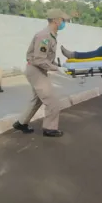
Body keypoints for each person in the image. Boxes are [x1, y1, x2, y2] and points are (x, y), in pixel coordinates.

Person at [13, 8, 71, 137]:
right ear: (56, 20)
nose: (64, 23)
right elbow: (39, 59)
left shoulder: (51, 35)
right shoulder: (44, 36)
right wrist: (55, 68)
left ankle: (21, 123)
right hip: (36, 70)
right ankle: (49, 128)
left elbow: (45, 58)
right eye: (63, 20)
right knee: (52, 101)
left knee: (37, 100)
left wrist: (56, 64)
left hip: (38, 69)